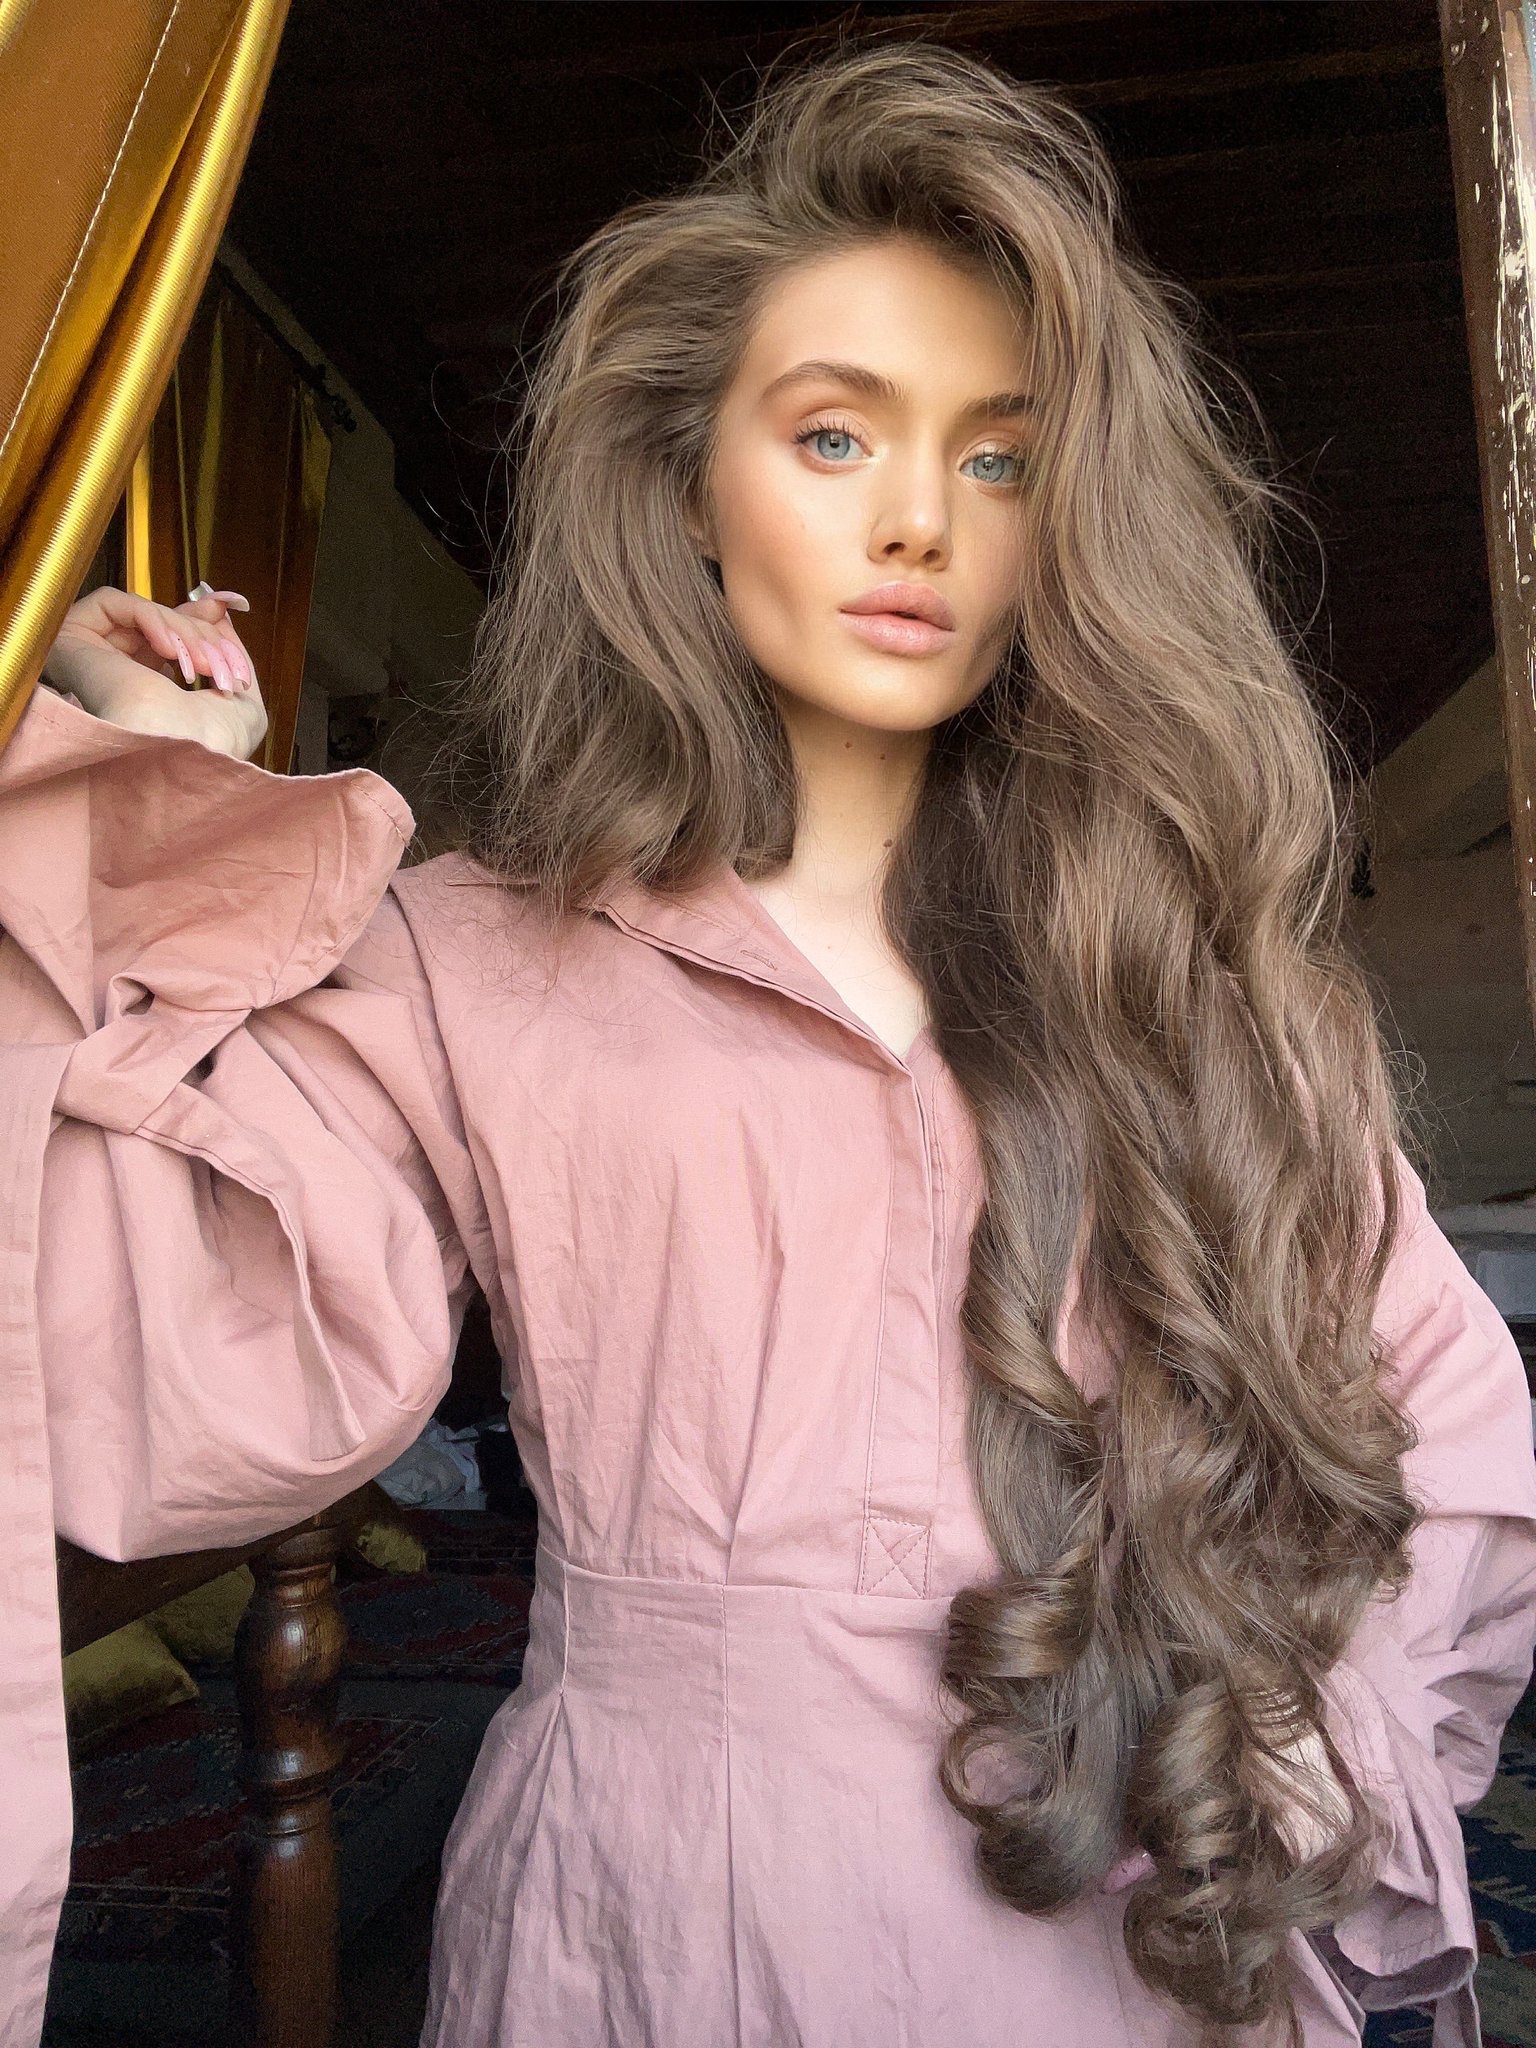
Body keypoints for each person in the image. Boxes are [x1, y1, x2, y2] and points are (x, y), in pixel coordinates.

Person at [3, 39, 1534, 2048]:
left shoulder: (1189, 982)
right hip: (644, 1935)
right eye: (832, 434)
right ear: (686, 490)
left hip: (1119, 1952)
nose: (919, 520)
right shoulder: (468, 956)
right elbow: (157, 1372)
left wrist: (1296, 1757)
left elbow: (1449, 1431)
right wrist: (144, 819)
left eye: (998, 458)